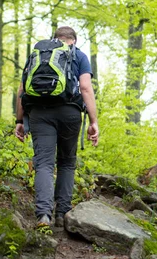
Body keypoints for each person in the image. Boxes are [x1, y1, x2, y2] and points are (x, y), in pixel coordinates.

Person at [15, 26, 99, 228]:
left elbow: (22, 88)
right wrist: (94, 121)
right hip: (70, 112)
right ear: (74, 40)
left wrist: (19, 120)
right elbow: (86, 87)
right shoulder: (78, 55)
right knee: (67, 163)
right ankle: (62, 213)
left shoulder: (38, 54)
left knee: (43, 163)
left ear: (55, 40)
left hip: (40, 113)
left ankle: (43, 215)